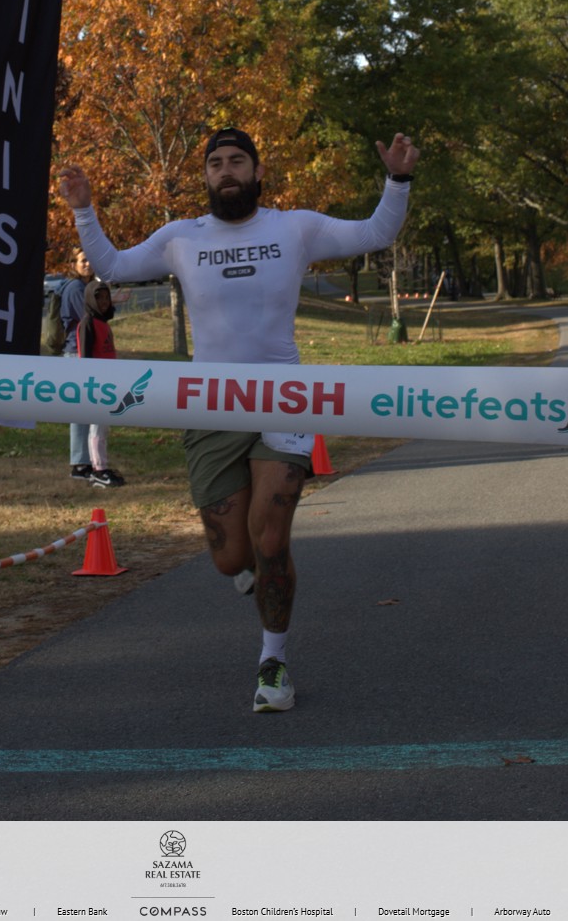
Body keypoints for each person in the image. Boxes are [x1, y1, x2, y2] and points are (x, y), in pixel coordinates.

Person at [59, 126, 419, 713]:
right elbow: (115, 267)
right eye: (216, 164)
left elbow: (374, 232)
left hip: (284, 399)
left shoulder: (294, 227)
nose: (226, 171)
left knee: (270, 538)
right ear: (205, 176)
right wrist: (83, 209)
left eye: (237, 161)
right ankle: (249, 570)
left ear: (256, 172)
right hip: (211, 405)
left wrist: (397, 179)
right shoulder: (182, 237)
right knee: (231, 556)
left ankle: (273, 663)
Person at [75, 279, 126, 487]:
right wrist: (90, 383)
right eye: (99, 298)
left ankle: (103, 465)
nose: (104, 302)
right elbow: (85, 357)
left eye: (106, 297)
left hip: (109, 383)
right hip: (97, 385)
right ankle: (98, 469)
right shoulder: (88, 323)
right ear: (90, 299)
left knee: (103, 428)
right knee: (96, 428)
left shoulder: (103, 322)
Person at [60, 247, 102, 481]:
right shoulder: (75, 288)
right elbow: (91, 317)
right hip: (77, 353)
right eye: (82, 260)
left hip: (86, 352)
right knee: (79, 411)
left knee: (89, 409)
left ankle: (88, 461)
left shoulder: (86, 287)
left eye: (90, 259)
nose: (87, 264)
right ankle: (79, 464)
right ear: (73, 265)